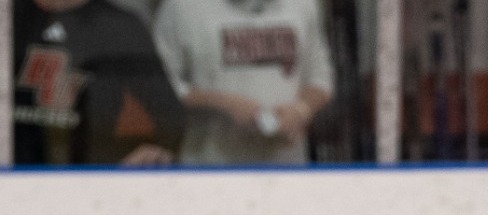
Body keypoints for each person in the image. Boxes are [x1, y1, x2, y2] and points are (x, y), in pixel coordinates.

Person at [150, 0, 335, 166]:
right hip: (211, 168)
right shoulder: (181, 7)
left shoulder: (302, 5)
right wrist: (222, 103)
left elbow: (320, 76)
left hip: (286, 168)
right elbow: (158, 86)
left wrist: (300, 110)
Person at [11, 0, 184, 165]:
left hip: (97, 181)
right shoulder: (9, 18)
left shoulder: (120, 25)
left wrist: (152, 154)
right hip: (12, 178)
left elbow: (170, 117)